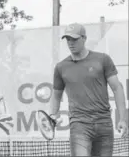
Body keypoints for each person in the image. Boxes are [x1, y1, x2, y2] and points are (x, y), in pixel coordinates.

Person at [49, 23, 128, 156]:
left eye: (74, 39)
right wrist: (52, 115)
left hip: (104, 123)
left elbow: (117, 88)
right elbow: (56, 95)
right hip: (79, 124)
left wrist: (123, 119)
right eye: (68, 39)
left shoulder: (102, 59)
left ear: (84, 38)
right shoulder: (61, 67)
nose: (70, 43)